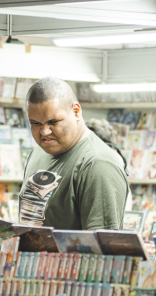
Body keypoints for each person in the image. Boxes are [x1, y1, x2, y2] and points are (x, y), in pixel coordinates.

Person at [20, 78, 128, 231]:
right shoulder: (38, 152)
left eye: (53, 122)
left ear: (76, 112)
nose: (44, 132)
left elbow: (101, 247)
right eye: (35, 123)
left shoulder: (98, 164)